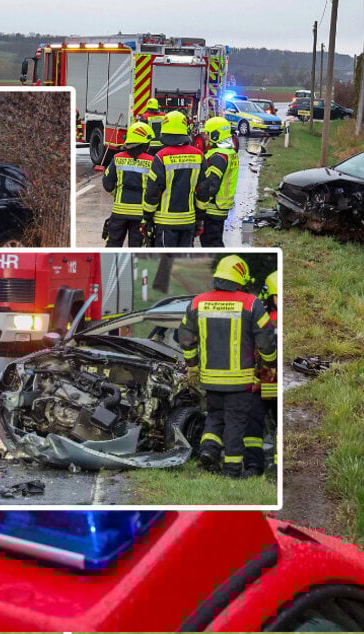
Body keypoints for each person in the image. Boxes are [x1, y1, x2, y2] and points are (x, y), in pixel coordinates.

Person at [178, 255, 277, 478]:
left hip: (211, 379)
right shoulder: (251, 304)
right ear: (240, 279)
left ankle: (208, 451)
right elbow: (266, 340)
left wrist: (192, 365)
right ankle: (232, 470)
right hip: (240, 382)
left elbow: (185, 337)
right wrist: (269, 364)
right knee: (235, 422)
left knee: (214, 416)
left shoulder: (197, 302)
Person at [142, 111, 205, 247]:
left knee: (166, 261)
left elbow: (153, 191)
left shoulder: (161, 156)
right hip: (188, 221)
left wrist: (147, 216)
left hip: (165, 223)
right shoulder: (199, 156)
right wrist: (199, 217)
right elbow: (203, 191)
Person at [101, 121, 155, 247]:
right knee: (136, 249)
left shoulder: (118, 158)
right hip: (141, 215)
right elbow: (155, 188)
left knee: (113, 246)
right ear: (145, 144)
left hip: (119, 212)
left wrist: (118, 193)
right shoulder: (152, 161)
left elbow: (107, 183)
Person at [195, 116, 239, 247]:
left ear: (215, 135)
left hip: (213, 207)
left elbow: (211, 185)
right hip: (221, 206)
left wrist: (200, 205)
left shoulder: (218, 157)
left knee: (211, 243)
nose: (206, 138)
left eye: (208, 134)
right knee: (214, 241)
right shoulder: (229, 152)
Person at [256, 271, 279, 480]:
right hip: (270, 379)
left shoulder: (268, 320)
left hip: (270, 378)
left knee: (271, 422)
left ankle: (273, 466)